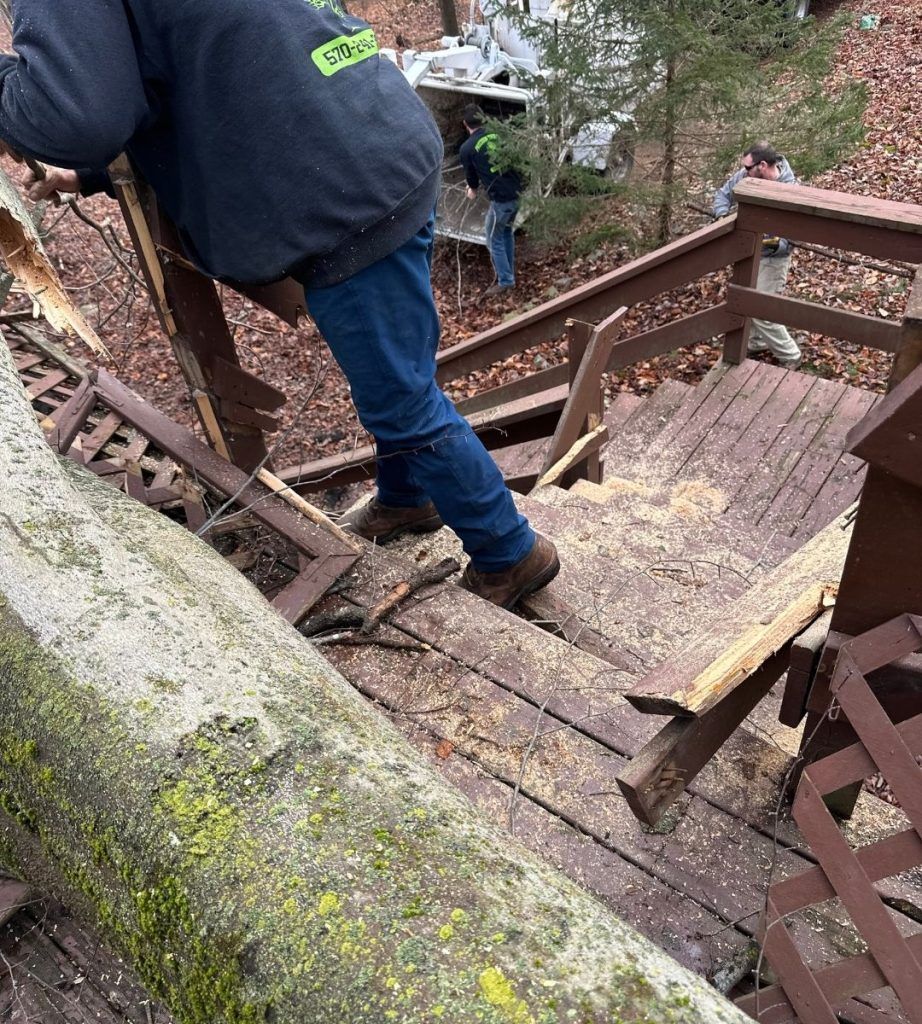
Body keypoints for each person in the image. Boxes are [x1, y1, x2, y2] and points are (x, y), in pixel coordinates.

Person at [0, 1, 559, 610]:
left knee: (401, 399)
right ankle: (407, 500)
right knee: (401, 377)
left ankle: (509, 553)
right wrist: (90, 175)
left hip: (344, 193)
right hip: (378, 140)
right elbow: (197, 75)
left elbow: (78, 113)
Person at [713, 143, 802, 370]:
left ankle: (791, 355)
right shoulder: (746, 175)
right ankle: (755, 342)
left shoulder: (791, 190)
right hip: (748, 252)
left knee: (762, 309)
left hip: (773, 259)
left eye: (748, 167)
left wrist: (775, 245)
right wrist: (723, 216)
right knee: (746, 298)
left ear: (762, 166)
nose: (743, 171)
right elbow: (723, 195)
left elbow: (794, 237)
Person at [460, 104, 522, 297]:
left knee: (493, 238)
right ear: (483, 119)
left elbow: (471, 176)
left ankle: (506, 281)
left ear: (465, 124)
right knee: (506, 232)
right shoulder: (500, 134)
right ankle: (509, 273)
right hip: (516, 193)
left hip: (501, 200)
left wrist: (472, 189)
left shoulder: (467, 148)